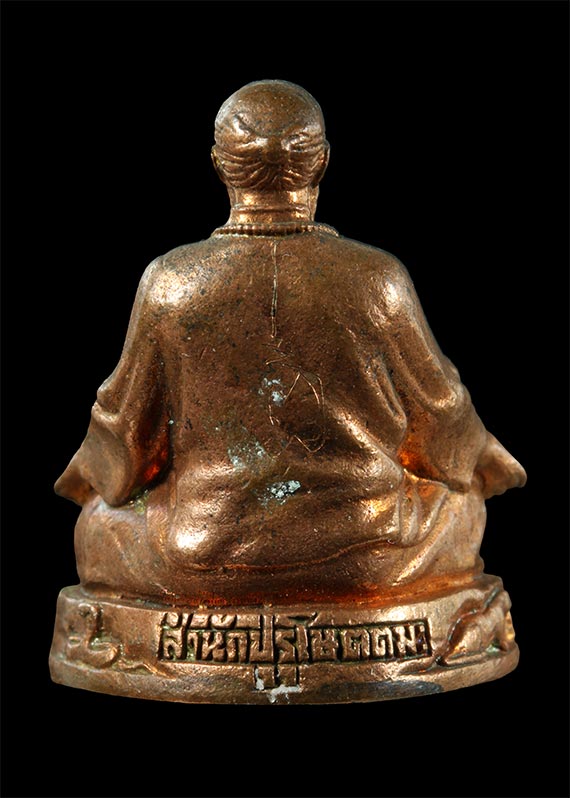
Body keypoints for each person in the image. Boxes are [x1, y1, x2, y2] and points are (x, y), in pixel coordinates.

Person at [55, 80, 526, 605]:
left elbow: (123, 429)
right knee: (465, 507)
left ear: (219, 165)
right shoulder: (377, 278)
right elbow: (441, 413)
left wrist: (93, 475)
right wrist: (481, 458)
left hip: (206, 555)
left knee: (100, 522)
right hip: (373, 551)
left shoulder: (171, 282)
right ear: (322, 162)